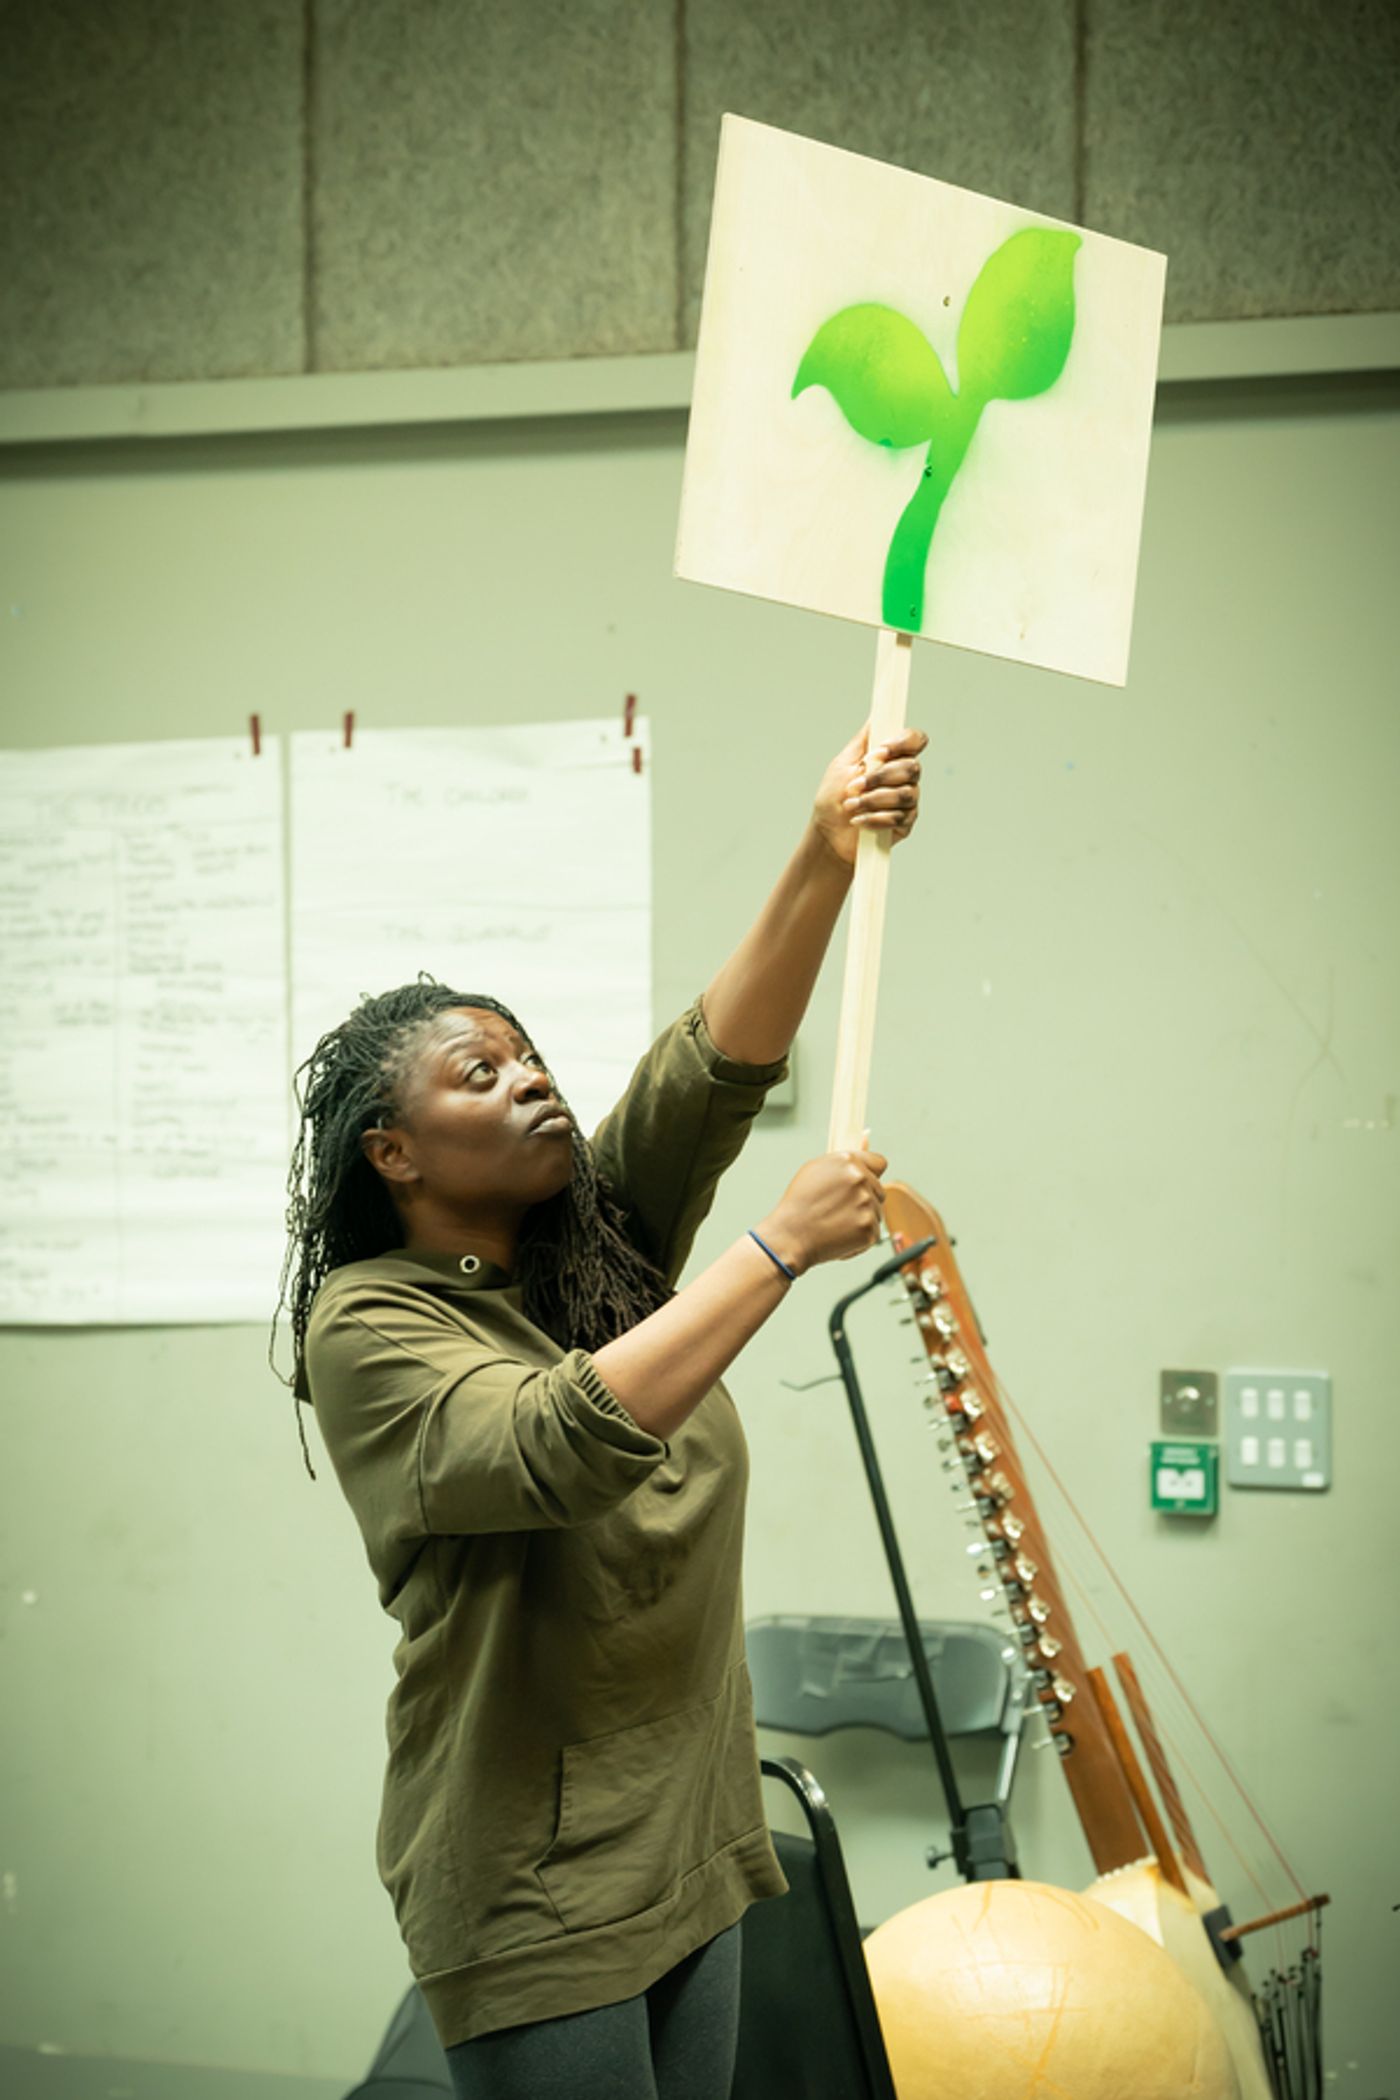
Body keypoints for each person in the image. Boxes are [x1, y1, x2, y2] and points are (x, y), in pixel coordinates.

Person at [275, 720, 926, 2100]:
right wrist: (777, 1250)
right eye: (481, 1074)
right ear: (393, 1153)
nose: (532, 1079)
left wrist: (824, 848)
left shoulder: (597, 1249)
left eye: (530, 1058)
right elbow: (554, 1444)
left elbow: (711, 1070)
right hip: (529, 1879)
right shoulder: (371, 1324)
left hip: (691, 1836)